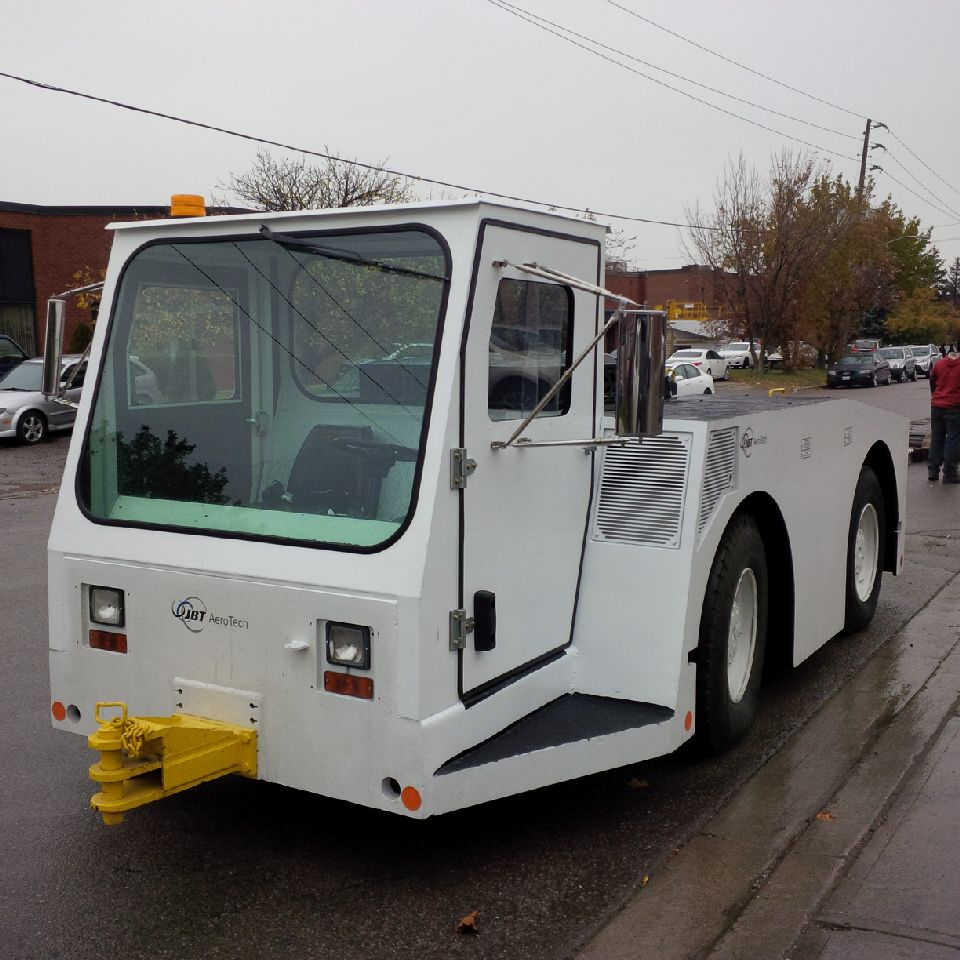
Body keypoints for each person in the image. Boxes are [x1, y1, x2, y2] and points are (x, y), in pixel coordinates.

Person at [928, 344, 960, 483]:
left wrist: (936, 396)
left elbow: (932, 383)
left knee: (937, 438)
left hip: (937, 406)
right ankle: (950, 473)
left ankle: (933, 470)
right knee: (953, 439)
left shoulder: (939, 365)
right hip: (954, 407)